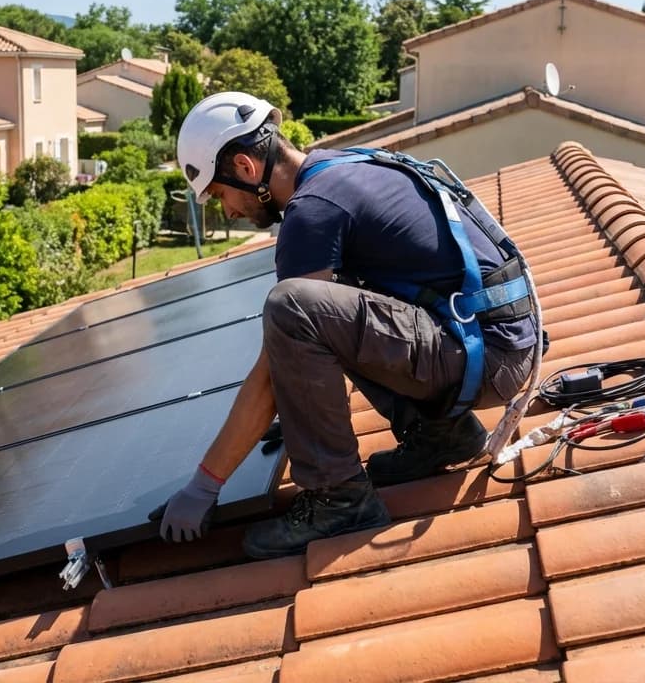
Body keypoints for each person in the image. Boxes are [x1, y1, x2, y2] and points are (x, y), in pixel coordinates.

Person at [152, 92, 540, 559]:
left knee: (293, 307)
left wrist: (204, 485)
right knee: (334, 298)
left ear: (245, 166)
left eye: (219, 194)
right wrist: (302, 406)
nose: (228, 211)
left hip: (484, 355)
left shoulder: (313, 211)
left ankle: (339, 498)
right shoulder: (344, 165)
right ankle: (442, 435)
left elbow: (277, 364)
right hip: (495, 338)